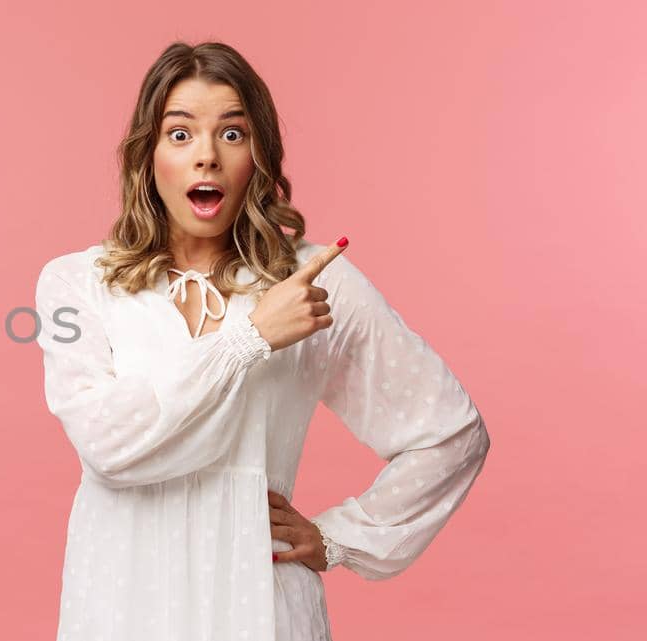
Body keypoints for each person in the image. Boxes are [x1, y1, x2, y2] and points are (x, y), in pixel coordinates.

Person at [33, 41, 491, 641]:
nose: (206, 158)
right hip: (122, 602)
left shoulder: (309, 282)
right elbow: (109, 448)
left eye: (231, 134)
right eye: (179, 134)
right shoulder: (79, 283)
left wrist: (339, 538)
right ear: (147, 157)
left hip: (259, 602)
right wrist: (249, 338)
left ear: (259, 154)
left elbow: (450, 434)